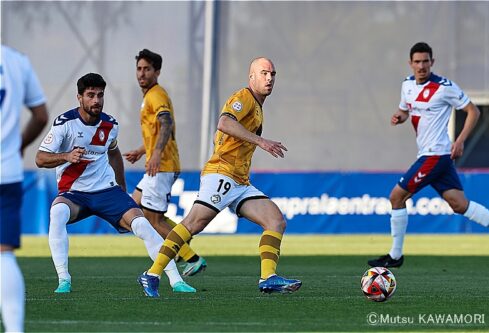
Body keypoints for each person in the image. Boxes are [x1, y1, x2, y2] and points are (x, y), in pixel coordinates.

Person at [137, 57, 302, 297]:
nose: (269, 78)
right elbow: (224, 122)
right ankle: (152, 274)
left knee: (275, 221)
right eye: (264, 73)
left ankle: (268, 277)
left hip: (240, 181)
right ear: (252, 77)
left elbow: (220, 134)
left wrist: (224, 145)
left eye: (273, 74)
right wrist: (260, 141)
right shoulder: (244, 97)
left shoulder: (257, 105)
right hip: (222, 175)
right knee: (193, 223)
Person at [35, 73, 195, 294]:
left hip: (107, 191)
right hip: (74, 194)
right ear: (79, 98)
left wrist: (121, 186)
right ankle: (64, 280)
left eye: (100, 95)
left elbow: (114, 152)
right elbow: (40, 158)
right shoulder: (64, 124)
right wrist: (66, 156)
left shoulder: (110, 124)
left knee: (142, 225)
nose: (96, 100)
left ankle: (176, 281)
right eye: (90, 95)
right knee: (57, 213)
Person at [368, 42, 489, 268]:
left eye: (425, 61)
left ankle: (395, 256)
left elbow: (473, 111)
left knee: (396, 197)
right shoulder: (407, 85)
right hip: (434, 157)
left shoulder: (444, 87)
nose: (421, 66)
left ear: (432, 62)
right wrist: (400, 117)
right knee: (459, 205)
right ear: (410, 64)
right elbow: (405, 110)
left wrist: (459, 141)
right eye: (417, 62)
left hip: (435, 156)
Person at [123, 49, 206, 276]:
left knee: (151, 220)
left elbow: (166, 123)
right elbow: (157, 130)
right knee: (135, 206)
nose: (141, 73)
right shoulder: (149, 96)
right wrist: (144, 151)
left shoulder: (155, 95)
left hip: (162, 166)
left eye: (147, 69)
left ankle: (191, 258)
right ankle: (187, 253)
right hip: (157, 163)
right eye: (139, 69)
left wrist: (157, 153)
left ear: (157, 71)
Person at [0, 45, 49, 333]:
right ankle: (15, 329)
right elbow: (41, 115)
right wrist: (17, 145)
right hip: (6, 172)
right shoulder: (17, 61)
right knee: (4, 255)